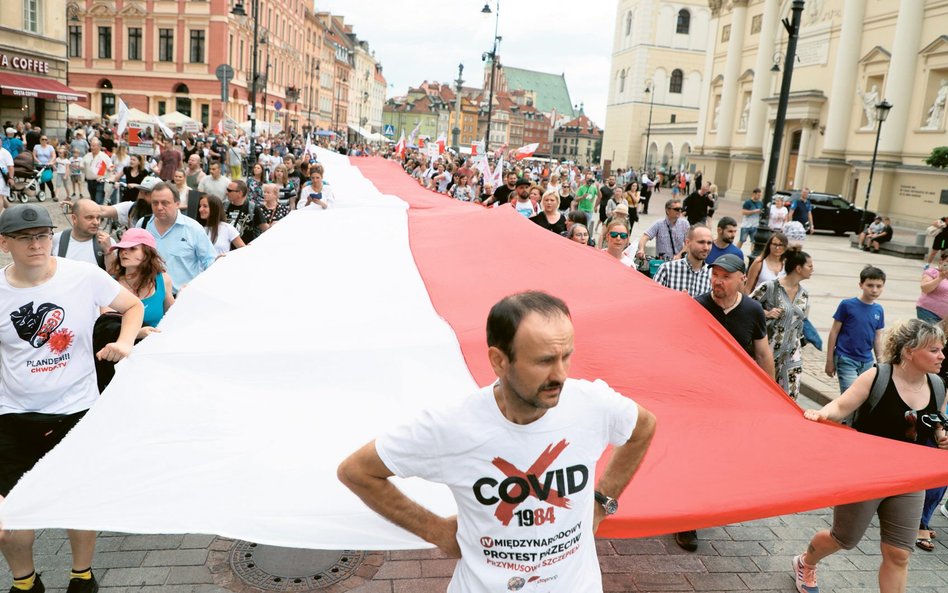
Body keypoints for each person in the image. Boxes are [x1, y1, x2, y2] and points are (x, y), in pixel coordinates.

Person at [337, 291, 657, 593]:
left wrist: (602, 502)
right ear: (499, 360)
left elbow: (642, 427)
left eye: (566, 356)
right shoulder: (453, 426)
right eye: (544, 360)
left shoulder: (591, 404)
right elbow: (357, 471)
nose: (560, 375)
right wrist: (434, 530)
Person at [0, 203, 143, 593]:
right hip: (12, 417)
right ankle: (25, 581)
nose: (37, 244)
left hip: (76, 411)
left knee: (77, 501)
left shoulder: (82, 276)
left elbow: (132, 306)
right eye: (25, 238)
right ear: (4, 243)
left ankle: (82, 575)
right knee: (7, 521)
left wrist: (125, 342)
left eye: (43, 235)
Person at [795, 319, 948, 593]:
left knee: (899, 553)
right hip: (865, 474)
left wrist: (941, 436)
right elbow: (841, 405)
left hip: (910, 479)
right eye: (935, 350)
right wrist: (822, 414)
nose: (942, 356)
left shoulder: (937, 385)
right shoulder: (878, 376)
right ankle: (806, 562)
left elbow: (935, 422)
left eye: (941, 350)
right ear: (910, 351)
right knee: (843, 539)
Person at [687, 254, 775, 552]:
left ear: (742, 279)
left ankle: (707, 504)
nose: (717, 281)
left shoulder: (752, 310)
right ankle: (688, 518)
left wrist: (770, 396)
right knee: (694, 455)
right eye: (715, 274)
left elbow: (763, 354)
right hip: (697, 398)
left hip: (734, 400)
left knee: (720, 455)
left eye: (725, 276)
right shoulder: (698, 306)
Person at [751, 246, 813, 400]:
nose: (813, 269)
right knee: (762, 393)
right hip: (768, 349)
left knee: (790, 395)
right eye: (810, 266)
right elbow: (748, 306)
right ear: (798, 268)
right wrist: (767, 313)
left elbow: (801, 320)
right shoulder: (771, 287)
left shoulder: (804, 294)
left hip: (792, 350)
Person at [135, 182, 216, 294]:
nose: (159, 207)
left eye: (165, 203)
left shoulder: (193, 229)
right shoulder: (143, 225)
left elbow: (210, 261)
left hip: (181, 298)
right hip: (149, 297)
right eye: (155, 203)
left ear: (177, 204)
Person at [825, 266, 886, 395]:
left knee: (863, 396)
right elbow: (834, 332)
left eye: (879, 286)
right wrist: (829, 360)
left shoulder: (879, 310)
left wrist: (881, 362)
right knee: (850, 395)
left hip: (867, 362)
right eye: (870, 285)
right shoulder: (847, 305)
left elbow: (877, 338)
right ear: (861, 285)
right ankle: (846, 415)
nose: (874, 290)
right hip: (846, 358)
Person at [108, 228, 173, 334]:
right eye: (121, 248)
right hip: (122, 348)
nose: (124, 252)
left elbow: (172, 317)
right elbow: (105, 327)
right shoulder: (110, 285)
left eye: (132, 248)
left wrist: (183, 299)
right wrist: (138, 333)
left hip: (156, 346)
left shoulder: (164, 280)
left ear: (147, 253)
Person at [52, 198, 113, 271]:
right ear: (74, 218)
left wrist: (108, 252)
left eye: (98, 218)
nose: (96, 222)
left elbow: (115, 275)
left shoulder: (107, 242)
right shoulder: (56, 240)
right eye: (90, 218)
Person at [653, 225, 713, 296]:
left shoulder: (712, 274)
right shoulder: (667, 269)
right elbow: (653, 299)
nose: (706, 247)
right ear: (687, 243)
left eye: (709, 243)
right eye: (701, 242)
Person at [223, 180, 267, 244]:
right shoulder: (223, 206)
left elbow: (265, 229)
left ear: (240, 193)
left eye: (229, 190)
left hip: (245, 250)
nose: (226, 193)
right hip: (226, 250)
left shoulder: (253, 208)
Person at [917, 249, 948, 323]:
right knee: (933, 334)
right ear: (941, 260)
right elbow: (925, 288)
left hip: (945, 319)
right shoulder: (932, 272)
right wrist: (940, 278)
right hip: (928, 312)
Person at [81, 138, 111, 204]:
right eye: (91, 145)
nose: (91, 147)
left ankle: (99, 212)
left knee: (98, 199)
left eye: (93, 146)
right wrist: (80, 167)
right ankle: (95, 212)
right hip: (90, 181)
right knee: (93, 199)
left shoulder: (104, 156)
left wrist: (109, 169)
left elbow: (111, 166)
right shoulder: (87, 155)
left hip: (100, 181)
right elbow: (81, 165)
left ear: (99, 147)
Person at [32, 134, 55, 201]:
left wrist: (50, 162)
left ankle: (52, 192)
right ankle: (43, 193)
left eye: (45, 139)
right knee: (41, 180)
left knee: (48, 179)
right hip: (39, 165)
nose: (44, 140)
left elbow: (53, 155)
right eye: (42, 139)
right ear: (40, 140)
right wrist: (38, 161)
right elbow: (34, 155)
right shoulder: (36, 146)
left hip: (47, 165)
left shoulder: (50, 147)